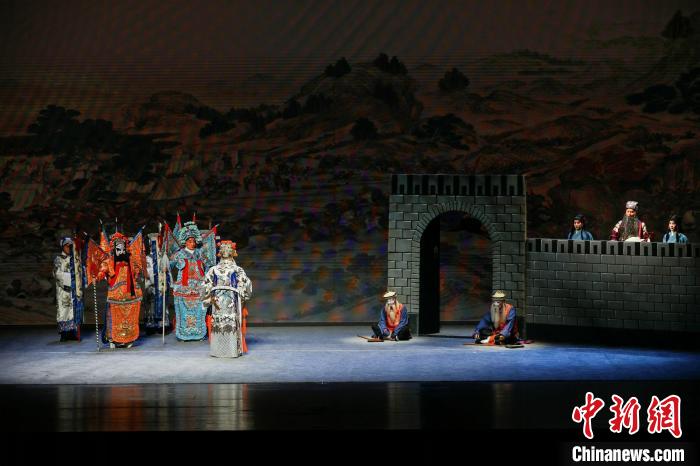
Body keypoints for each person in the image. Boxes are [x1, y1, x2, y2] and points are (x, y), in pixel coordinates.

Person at [167, 219, 216, 341]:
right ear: (185, 242)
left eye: (193, 241)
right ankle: (183, 333)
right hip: (183, 287)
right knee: (183, 311)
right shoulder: (179, 254)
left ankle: (198, 332)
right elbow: (168, 267)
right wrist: (166, 261)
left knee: (199, 311)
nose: (192, 243)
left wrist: (207, 278)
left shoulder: (200, 253)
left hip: (199, 286)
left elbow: (209, 264)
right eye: (189, 241)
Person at [95, 229, 145, 348]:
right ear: (114, 249)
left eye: (122, 248)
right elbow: (102, 271)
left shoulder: (130, 261)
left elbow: (136, 272)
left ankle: (128, 339)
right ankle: (113, 339)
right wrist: (97, 275)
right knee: (113, 319)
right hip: (115, 296)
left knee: (130, 319)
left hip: (130, 296)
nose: (121, 251)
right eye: (118, 248)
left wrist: (137, 270)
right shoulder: (109, 262)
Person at [202, 241, 253, 357]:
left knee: (225, 323)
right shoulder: (219, 269)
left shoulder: (232, 269)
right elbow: (206, 284)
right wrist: (210, 295)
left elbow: (245, 283)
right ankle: (224, 350)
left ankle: (226, 350)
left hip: (226, 300)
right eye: (224, 249)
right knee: (223, 323)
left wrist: (240, 289)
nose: (225, 251)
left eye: (227, 249)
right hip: (223, 300)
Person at [53, 237, 85, 341]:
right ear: (63, 247)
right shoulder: (58, 259)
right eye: (67, 246)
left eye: (71, 246)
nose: (69, 248)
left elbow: (80, 271)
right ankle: (64, 333)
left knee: (73, 311)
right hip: (64, 290)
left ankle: (72, 332)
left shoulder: (75, 259)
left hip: (74, 291)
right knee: (64, 311)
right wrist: (71, 279)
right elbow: (57, 273)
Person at [143, 233, 171, 335]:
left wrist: (165, 273)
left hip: (161, 284)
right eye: (152, 244)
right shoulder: (147, 258)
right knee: (150, 304)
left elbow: (168, 270)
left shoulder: (163, 257)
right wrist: (149, 279)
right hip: (151, 284)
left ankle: (162, 324)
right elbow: (146, 271)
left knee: (163, 303)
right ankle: (150, 323)